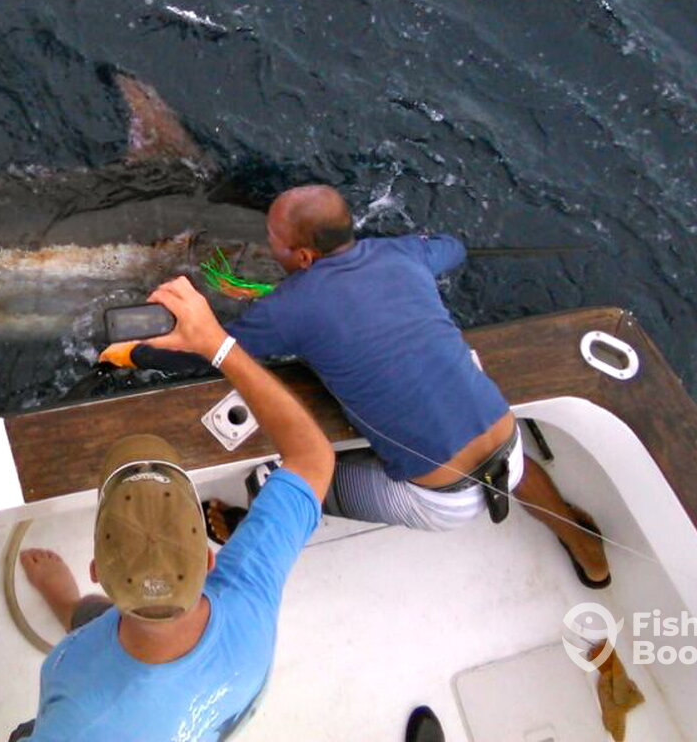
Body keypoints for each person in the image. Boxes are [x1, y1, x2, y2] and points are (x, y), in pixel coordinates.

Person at [115, 185, 609, 587]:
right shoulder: (404, 254)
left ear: (304, 256)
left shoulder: (290, 307)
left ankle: (237, 522)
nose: (270, 248)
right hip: (509, 446)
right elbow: (451, 248)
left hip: (436, 501)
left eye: (276, 242)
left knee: (286, 476)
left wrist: (133, 354)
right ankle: (585, 548)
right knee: (503, 457)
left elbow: (204, 346)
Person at [12, 275, 334, 741]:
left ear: (97, 569)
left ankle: (70, 605)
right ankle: (69, 603)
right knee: (97, 621)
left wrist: (213, 341)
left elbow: (310, 458)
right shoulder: (248, 599)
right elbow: (314, 457)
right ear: (208, 560)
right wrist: (216, 345)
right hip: (215, 709)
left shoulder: (75, 706)